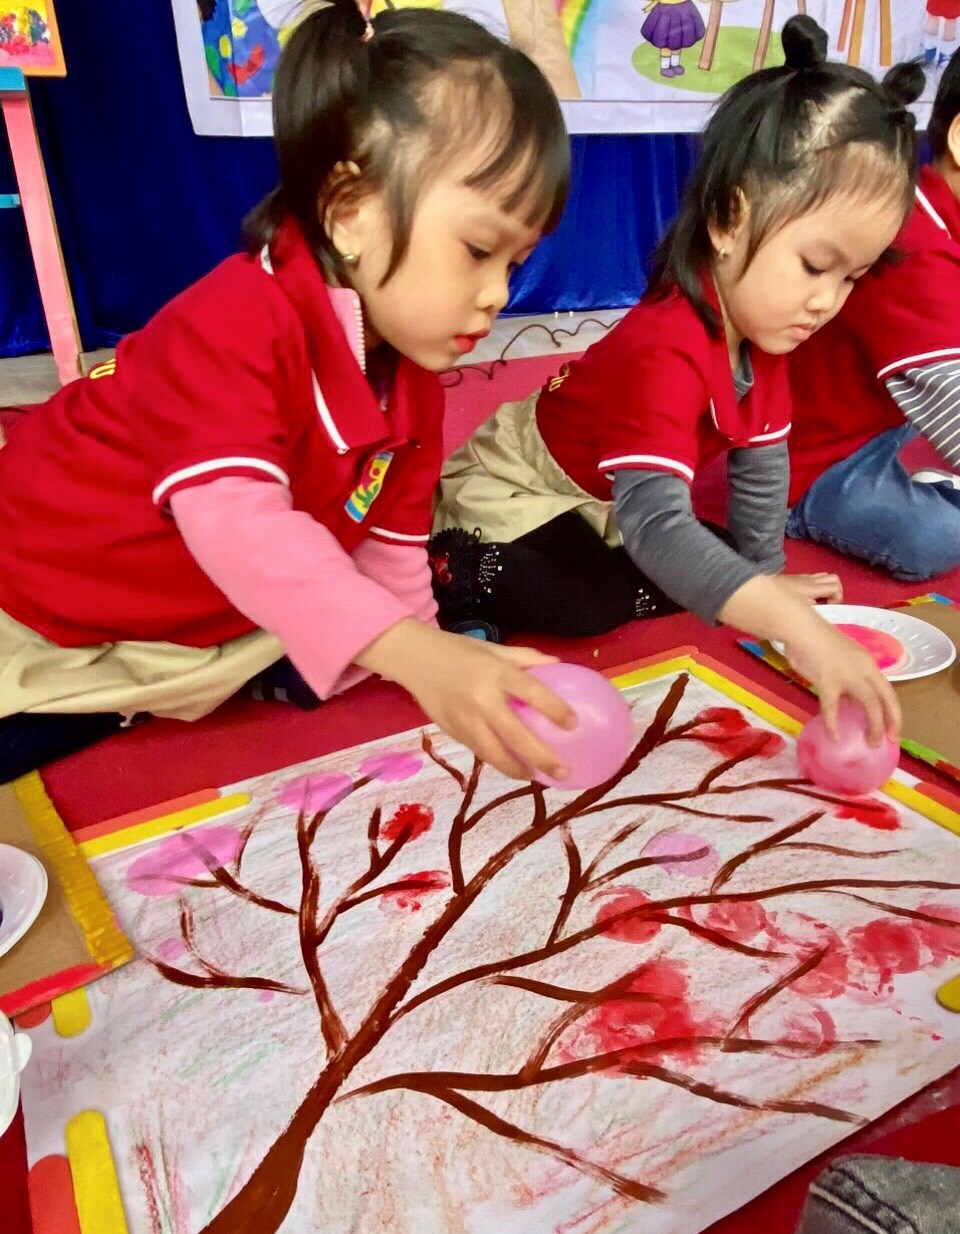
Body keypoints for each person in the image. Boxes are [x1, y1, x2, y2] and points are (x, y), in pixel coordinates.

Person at [0, 0, 578, 785]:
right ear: (349, 213)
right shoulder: (233, 321)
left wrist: (428, 661)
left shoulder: (412, 383)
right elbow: (237, 524)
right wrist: (419, 656)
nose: (498, 295)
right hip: (46, 589)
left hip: (200, 604)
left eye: (515, 264)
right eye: (478, 250)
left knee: (344, 620)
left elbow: (390, 547)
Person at [430, 16, 921, 742]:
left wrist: (763, 574)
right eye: (815, 266)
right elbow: (658, 527)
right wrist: (789, 623)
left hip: (608, 505)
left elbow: (762, 466)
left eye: (851, 278)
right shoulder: (667, 344)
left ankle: (609, 577)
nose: (826, 301)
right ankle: (455, 573)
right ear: (727, 220)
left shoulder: (766, 335)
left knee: (713, 555)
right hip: (519, 485)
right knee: (593, 601)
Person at [786, 46, 960, 581]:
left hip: (886, 422)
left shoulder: (937, 214)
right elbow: (949, 394)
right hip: (819, 458)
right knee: (936, 538)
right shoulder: (912, 239)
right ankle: (804, 511)